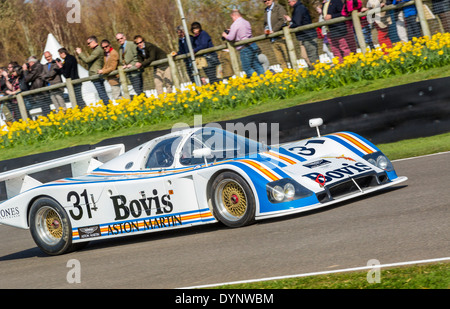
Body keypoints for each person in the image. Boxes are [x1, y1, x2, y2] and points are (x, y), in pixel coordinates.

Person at [222, 9, 265, 77]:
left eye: (232, 17)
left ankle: (257, 80)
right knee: (257, 65)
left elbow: (231, 38)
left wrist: (225, 35)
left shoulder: (235, 24)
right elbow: (243, 33)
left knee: (247, 68)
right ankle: (265, 80)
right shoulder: (246, 22)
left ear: (233, 15)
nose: (232, 19)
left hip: (245, 48)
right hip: (252, 45)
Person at [285, 0, 319, 69]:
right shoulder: (296, 9)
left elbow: (298, 23)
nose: (288, 4)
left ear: (294, 1)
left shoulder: (299, 8)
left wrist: (290, 26)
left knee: (312, 56)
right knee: (304, 55)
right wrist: (291, 21)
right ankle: (313, 71)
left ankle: (319, 71)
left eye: (289, 2)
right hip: (303, 36)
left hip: (308, 35)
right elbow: (298, 20)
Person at [76, 36, 110, 104]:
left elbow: (87, 60)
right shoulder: (97, 50)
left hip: (96, 75)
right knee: (102, 94)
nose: (88, 45)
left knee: (102, 94)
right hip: (96, 74)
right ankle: (109, 107)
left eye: (89, 43)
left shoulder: (97, 50)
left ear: (93, 42)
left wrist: (80, 53)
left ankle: (109, 108)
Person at [263, 0, 290, 70]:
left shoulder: (279, 8)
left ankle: (295, 73)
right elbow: (265, 23)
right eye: (264, 1)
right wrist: (266, 29)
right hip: (273, 40)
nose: (266, 2)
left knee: (288, 56)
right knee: (280, 60)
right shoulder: (265, 11)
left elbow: (282, 20)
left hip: (281, 37)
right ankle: (287, 75)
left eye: (268, 0)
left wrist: (274, 30)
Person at [116, 32, 143, 96]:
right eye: (118, 39)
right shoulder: (120, 48)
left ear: (124, 37)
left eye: (121, 38)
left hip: (136, 71)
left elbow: (137, 56)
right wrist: (124, 65)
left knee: (138, 90)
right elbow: (122, 59)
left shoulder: (131, 44)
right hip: (129, 72)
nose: (120, 40)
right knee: (137, 90)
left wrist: (132, 64)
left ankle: (146, 103)